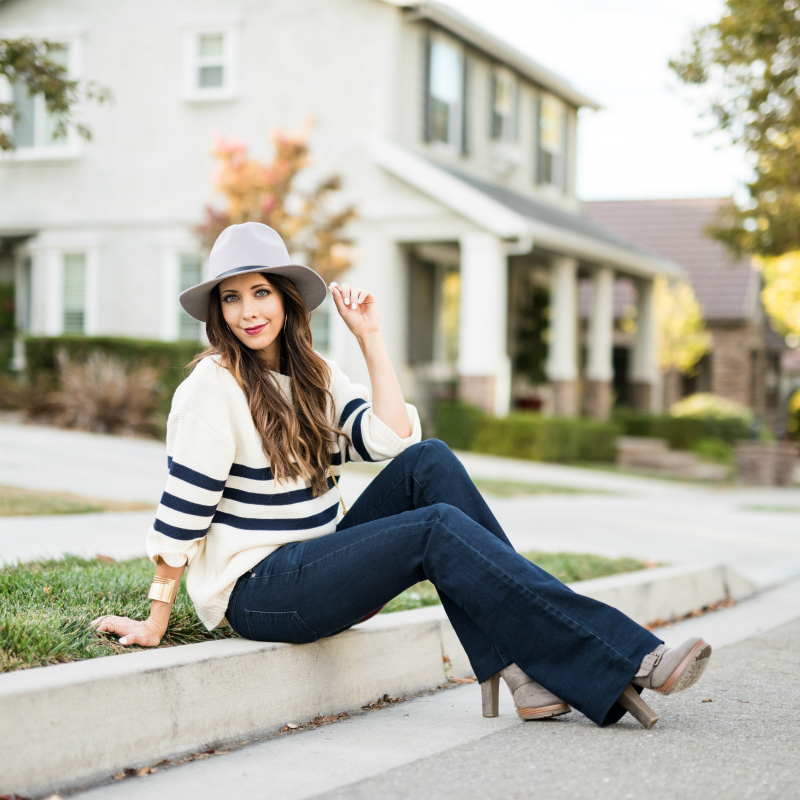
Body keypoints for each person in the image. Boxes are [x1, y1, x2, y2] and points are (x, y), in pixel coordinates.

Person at [93, 222, 711, 729]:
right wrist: (156, 618)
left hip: (321, 566)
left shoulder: (315, 376)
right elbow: (184, 507)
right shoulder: (211, 386)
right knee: (435, 529)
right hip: (261, 593)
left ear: (285, 297)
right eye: (231, 297)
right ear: (217, 312)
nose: (248, 311)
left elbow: (390, 440)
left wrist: (371, 339)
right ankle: (626, 656)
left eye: (260, 293)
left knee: (431, 462)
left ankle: (521, 670)